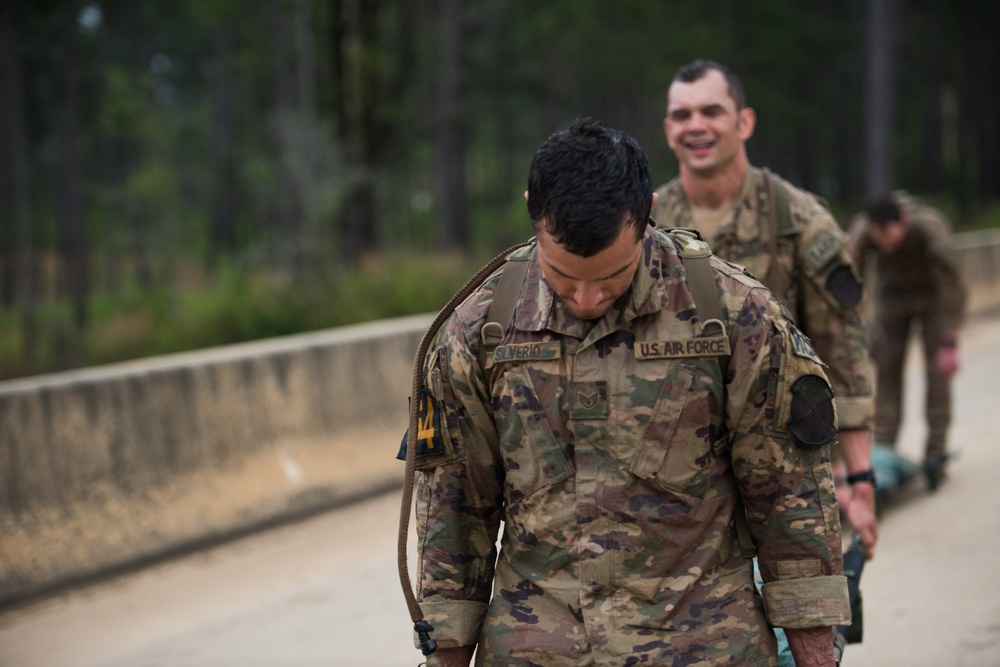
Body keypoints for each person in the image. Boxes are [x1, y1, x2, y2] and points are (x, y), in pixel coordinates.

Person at [406, 118, 849, 666]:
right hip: (538, 649)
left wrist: (815, 658)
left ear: (649, 213)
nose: (588, 298)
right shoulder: (479, 331)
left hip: (702, 647)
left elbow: (791, 505)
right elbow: (454, 518)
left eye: (611, 277)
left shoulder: (733, 318)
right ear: (532, 212)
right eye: (564, 278)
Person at [651, 59, 879, 555]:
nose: (696, 126)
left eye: (711, 111)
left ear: (744, 122)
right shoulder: (646, 226)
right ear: (669, 130)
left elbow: (844, 357)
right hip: (673, 473)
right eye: (682, 115)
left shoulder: (798, 220)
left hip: (784, 462)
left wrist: (858, 477)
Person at [847, 192, 967, 490]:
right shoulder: (864, 231)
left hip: (933, 301)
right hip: (892, 301)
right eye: (880, 236)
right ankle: (885, 450)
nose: (886, 242)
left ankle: (935, 451)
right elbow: (850, 278)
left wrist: (949, 339)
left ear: (904, 221)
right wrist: (853, 327)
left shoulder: (928, 227)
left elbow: (951, 280)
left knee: (937, 375)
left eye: (890, 234)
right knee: (886, 372)